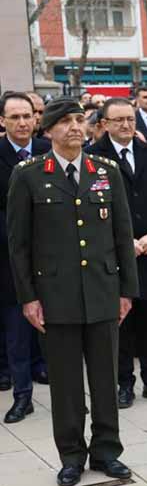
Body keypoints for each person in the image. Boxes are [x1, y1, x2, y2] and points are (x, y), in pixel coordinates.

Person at [6, 98, 139, 486]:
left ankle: (106, 451)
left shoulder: (105, 171)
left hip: (102, 290)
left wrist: (127, 290)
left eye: (80, 120)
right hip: (55, 296)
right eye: (64, 122)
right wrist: (28, 297)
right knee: (65, 384)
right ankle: (70, 455)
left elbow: (121, 233)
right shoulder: (29, 175)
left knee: (104, 378)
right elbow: (19, 244)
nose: (75, 127)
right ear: (47, 131)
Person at [87, 98, 147, 408]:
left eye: (130, 119)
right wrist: (125, 241)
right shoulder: (93, 157)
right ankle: (124, 381)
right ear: (105, 124)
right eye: (119, 120)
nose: (126, 125)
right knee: (121, 321)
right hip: (115, 254)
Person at [0, 92, 51, 424]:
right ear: (2, 121)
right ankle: (22, 395)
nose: (22, 122)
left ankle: (46, 370)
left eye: (27, 116)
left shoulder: (50, 151)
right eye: (14, 117)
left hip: (51, 256)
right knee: (17, 328)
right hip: (8, 257)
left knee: (53, 326)